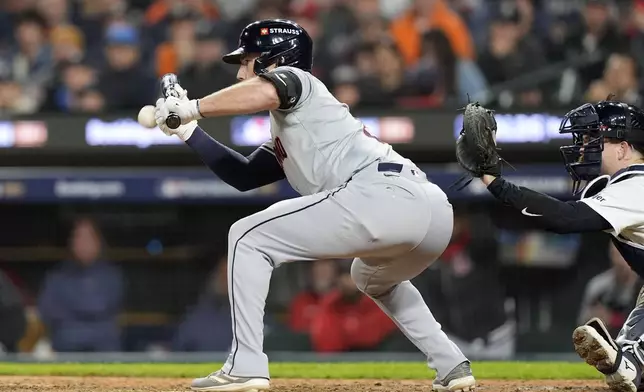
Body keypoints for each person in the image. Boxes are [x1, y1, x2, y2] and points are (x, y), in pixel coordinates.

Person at [153, 19, 474, 392]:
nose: (240, 72)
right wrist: (188, 131)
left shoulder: (299, 81)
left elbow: (268, 90)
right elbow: (242, 175)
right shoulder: (296, 122)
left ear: (275, 60)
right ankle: (451, 363)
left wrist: (191, 107)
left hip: (379, 195)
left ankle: (246, 365)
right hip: (429, 212)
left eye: (248, 60)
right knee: (370, 276)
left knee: (245, 237)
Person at [477, 98, 644, 392]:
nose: (583, 148)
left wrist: (497, 184)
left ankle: (630, 362)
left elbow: (566, 219)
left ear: (623, 147)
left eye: (594, 139)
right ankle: (631, 361)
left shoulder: (635, 185)